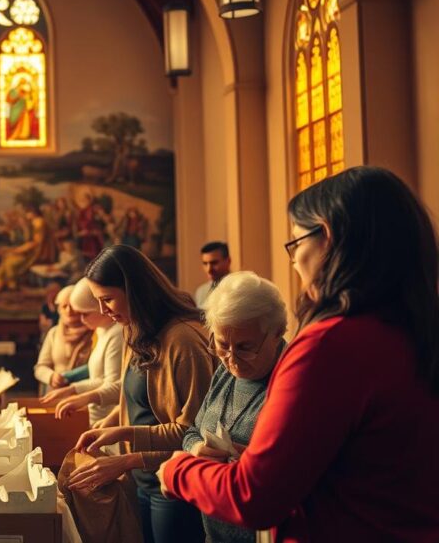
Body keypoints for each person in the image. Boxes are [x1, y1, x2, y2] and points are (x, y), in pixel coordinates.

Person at [159, 167, 439, 541]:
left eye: (295, 241)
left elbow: (254, 497)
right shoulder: (415, 329)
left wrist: (178, 471)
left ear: (327, 238)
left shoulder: (331, 345)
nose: (293, 259)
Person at [66, 245, 214, 543]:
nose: (103, 311)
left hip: (173, 482)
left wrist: (125, 454)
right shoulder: (133, 329)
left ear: (135, 290)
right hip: (143, 477)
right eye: (98, 301)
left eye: (107, 299)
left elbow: (195, 434)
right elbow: (135, 397)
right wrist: (110, 423)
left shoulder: (183, 341)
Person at [178, 271, 287, 543]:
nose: (232, 359)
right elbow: (192, 431)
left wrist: (249, 466)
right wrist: (196, 449)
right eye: (221, 345)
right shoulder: (226, 372)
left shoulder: (289, 383)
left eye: (245, 347)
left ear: (277, 333)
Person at [43, 278, 125, 428]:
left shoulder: (116, 334)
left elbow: (115, 385)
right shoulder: (101, 331)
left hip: (109, 418)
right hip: (98, 415)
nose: (81, 319)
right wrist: (72, 389)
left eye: (85, 314)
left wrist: (77, 392)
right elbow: (99, 378)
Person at [34, 285, 93, 394]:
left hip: (85, 394)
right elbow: (40, 368)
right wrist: (51, 377)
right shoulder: (54, 333)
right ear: (59, 309)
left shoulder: (94, 332)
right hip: (56, 393)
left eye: (72, 306)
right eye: (64, 306)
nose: (69, 310)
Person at [193, 241, 232, 309]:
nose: (209, 269)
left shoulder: (237, 288)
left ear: (228, 261)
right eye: (205, 263)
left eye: (214, 263)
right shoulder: (201, 292)